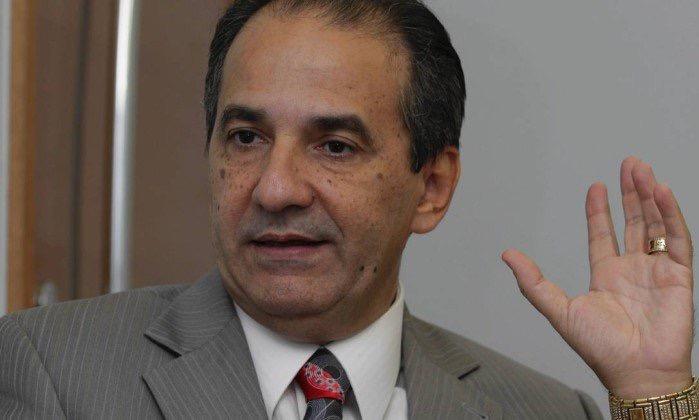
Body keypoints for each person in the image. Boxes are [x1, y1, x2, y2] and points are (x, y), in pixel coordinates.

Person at [0, 0, 694, 419]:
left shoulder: (543, 411)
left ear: (432, 187)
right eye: (246, 138)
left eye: (334, 146)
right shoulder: (50, 369)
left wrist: (652, 391)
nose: (275, 189)